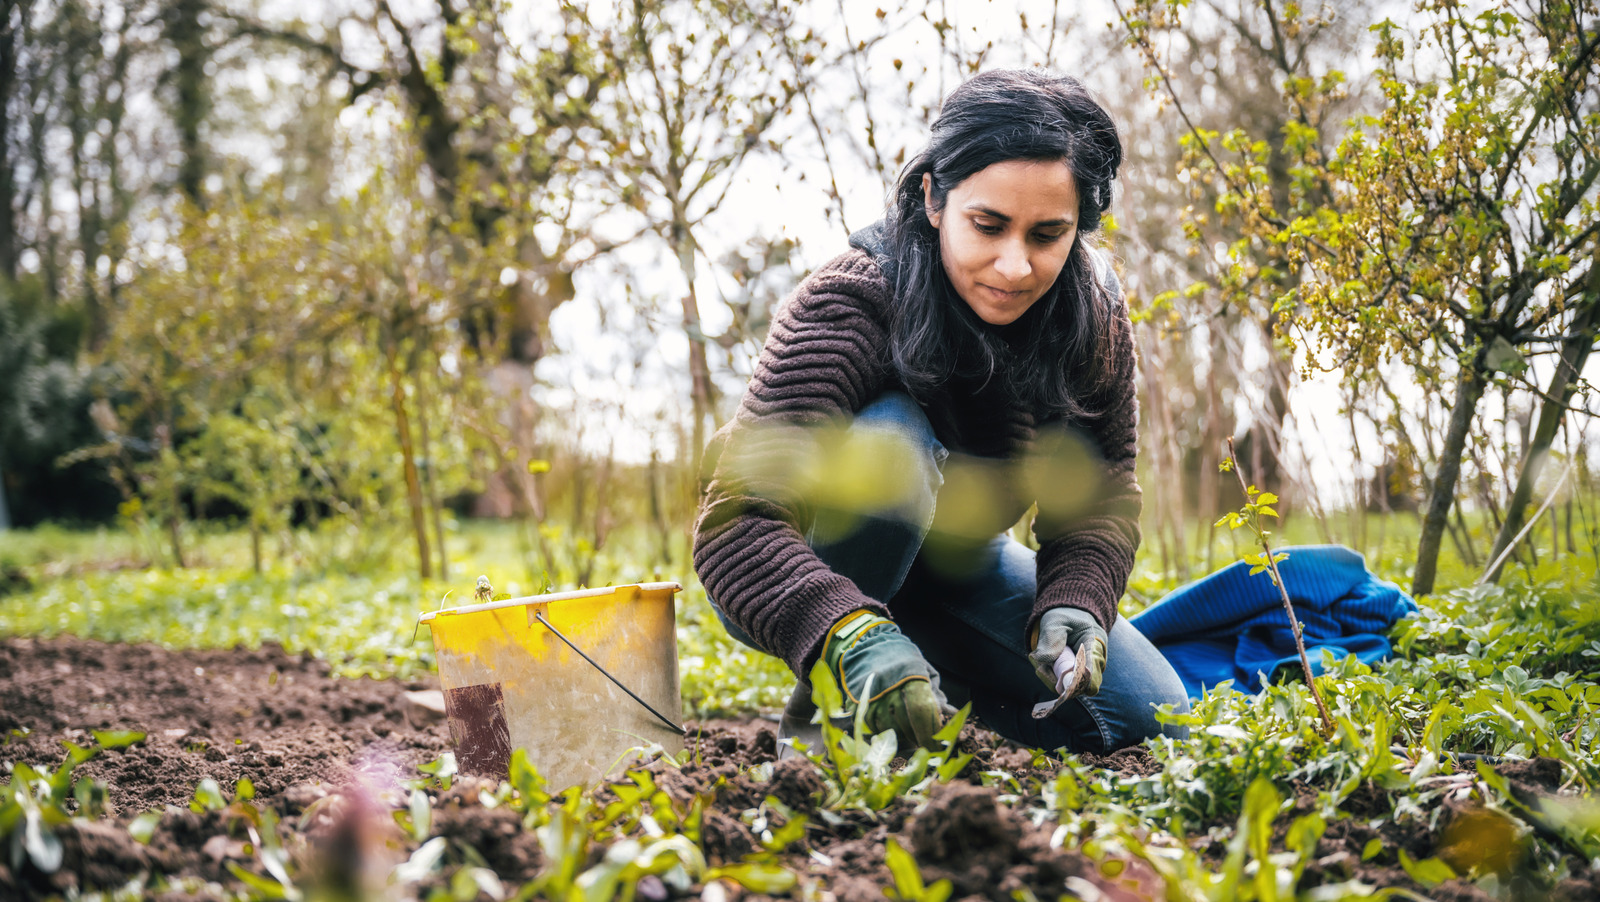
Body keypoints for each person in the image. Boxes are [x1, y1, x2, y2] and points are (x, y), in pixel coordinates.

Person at [693, 68, 1190, 754]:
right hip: (793, 560)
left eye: (1048, 235)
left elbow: (1099, 497)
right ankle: (826, 723)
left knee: (1147, 716)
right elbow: (738, 523)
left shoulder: (1091, 318)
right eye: (988, 225)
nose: (1014, 266)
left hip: (959, 565)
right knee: (891, 446)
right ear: (933, 198)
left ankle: (920, 685)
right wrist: (846, 631)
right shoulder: (852, 299)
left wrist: (1076, 598)